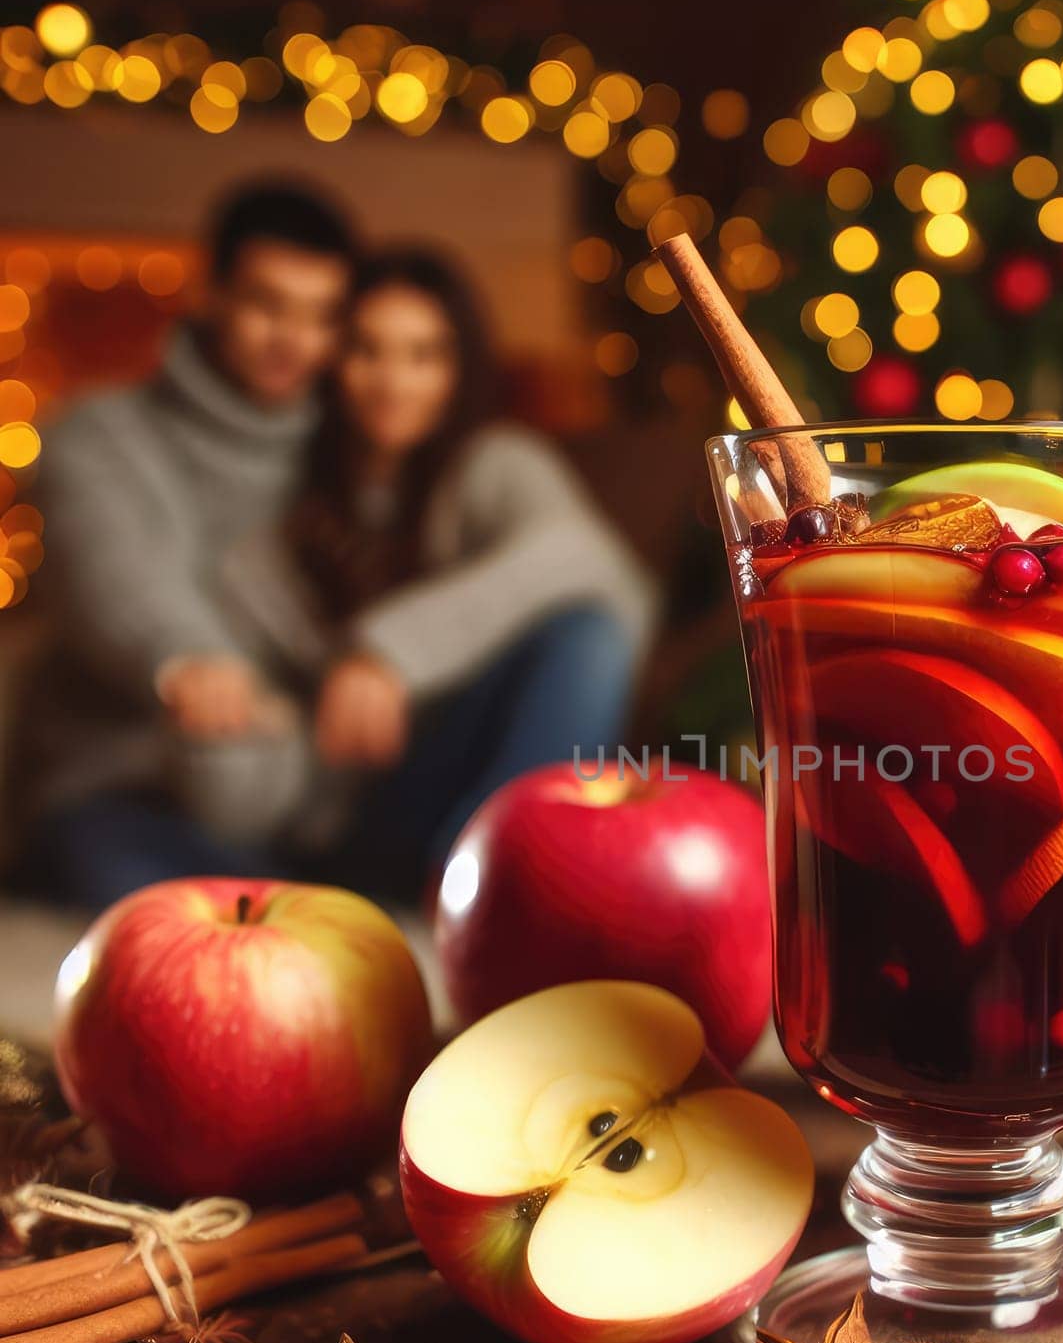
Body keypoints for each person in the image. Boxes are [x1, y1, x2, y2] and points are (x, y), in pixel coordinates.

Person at [19, 215, 653, 906]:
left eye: (425, 355)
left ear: (462, 364)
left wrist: (388, 652)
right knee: (152, 881)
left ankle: (512, 888)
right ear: (332, 361)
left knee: (586, 635)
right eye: (366, 350)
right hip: (324, 811)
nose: (392, 381)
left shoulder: (495, 465)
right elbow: (253, 711)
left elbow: (593, 566)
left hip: (449, 795)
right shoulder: (285, 499)